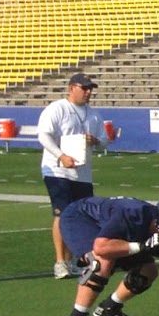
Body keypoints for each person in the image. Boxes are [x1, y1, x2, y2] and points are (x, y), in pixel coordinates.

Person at [39, 73, 102, 279]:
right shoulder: (57, 109)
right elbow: (44, 135)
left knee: (82, 216)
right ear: (71, 88)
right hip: (57, 170)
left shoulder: (93, 114)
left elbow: (105, 139)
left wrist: (96, 141)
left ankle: (76, 259)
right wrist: (61, 156)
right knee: (62, 213)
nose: (88, 92)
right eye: (84, 88)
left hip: (82, 173)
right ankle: (60, 262)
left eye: (90, 88)